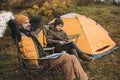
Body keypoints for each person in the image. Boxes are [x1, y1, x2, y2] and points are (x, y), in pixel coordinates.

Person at [14, 14, 88, 80]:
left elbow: (38, 18)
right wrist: (19, 21)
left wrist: (26, 21)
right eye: (25, 23)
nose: (29, 24)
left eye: (29, 22)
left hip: (44, 58)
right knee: (67, 57)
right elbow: (12, 24)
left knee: (71, 57)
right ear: (19, 25)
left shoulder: (31, 32)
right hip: (36, 62)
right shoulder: (19, 35)